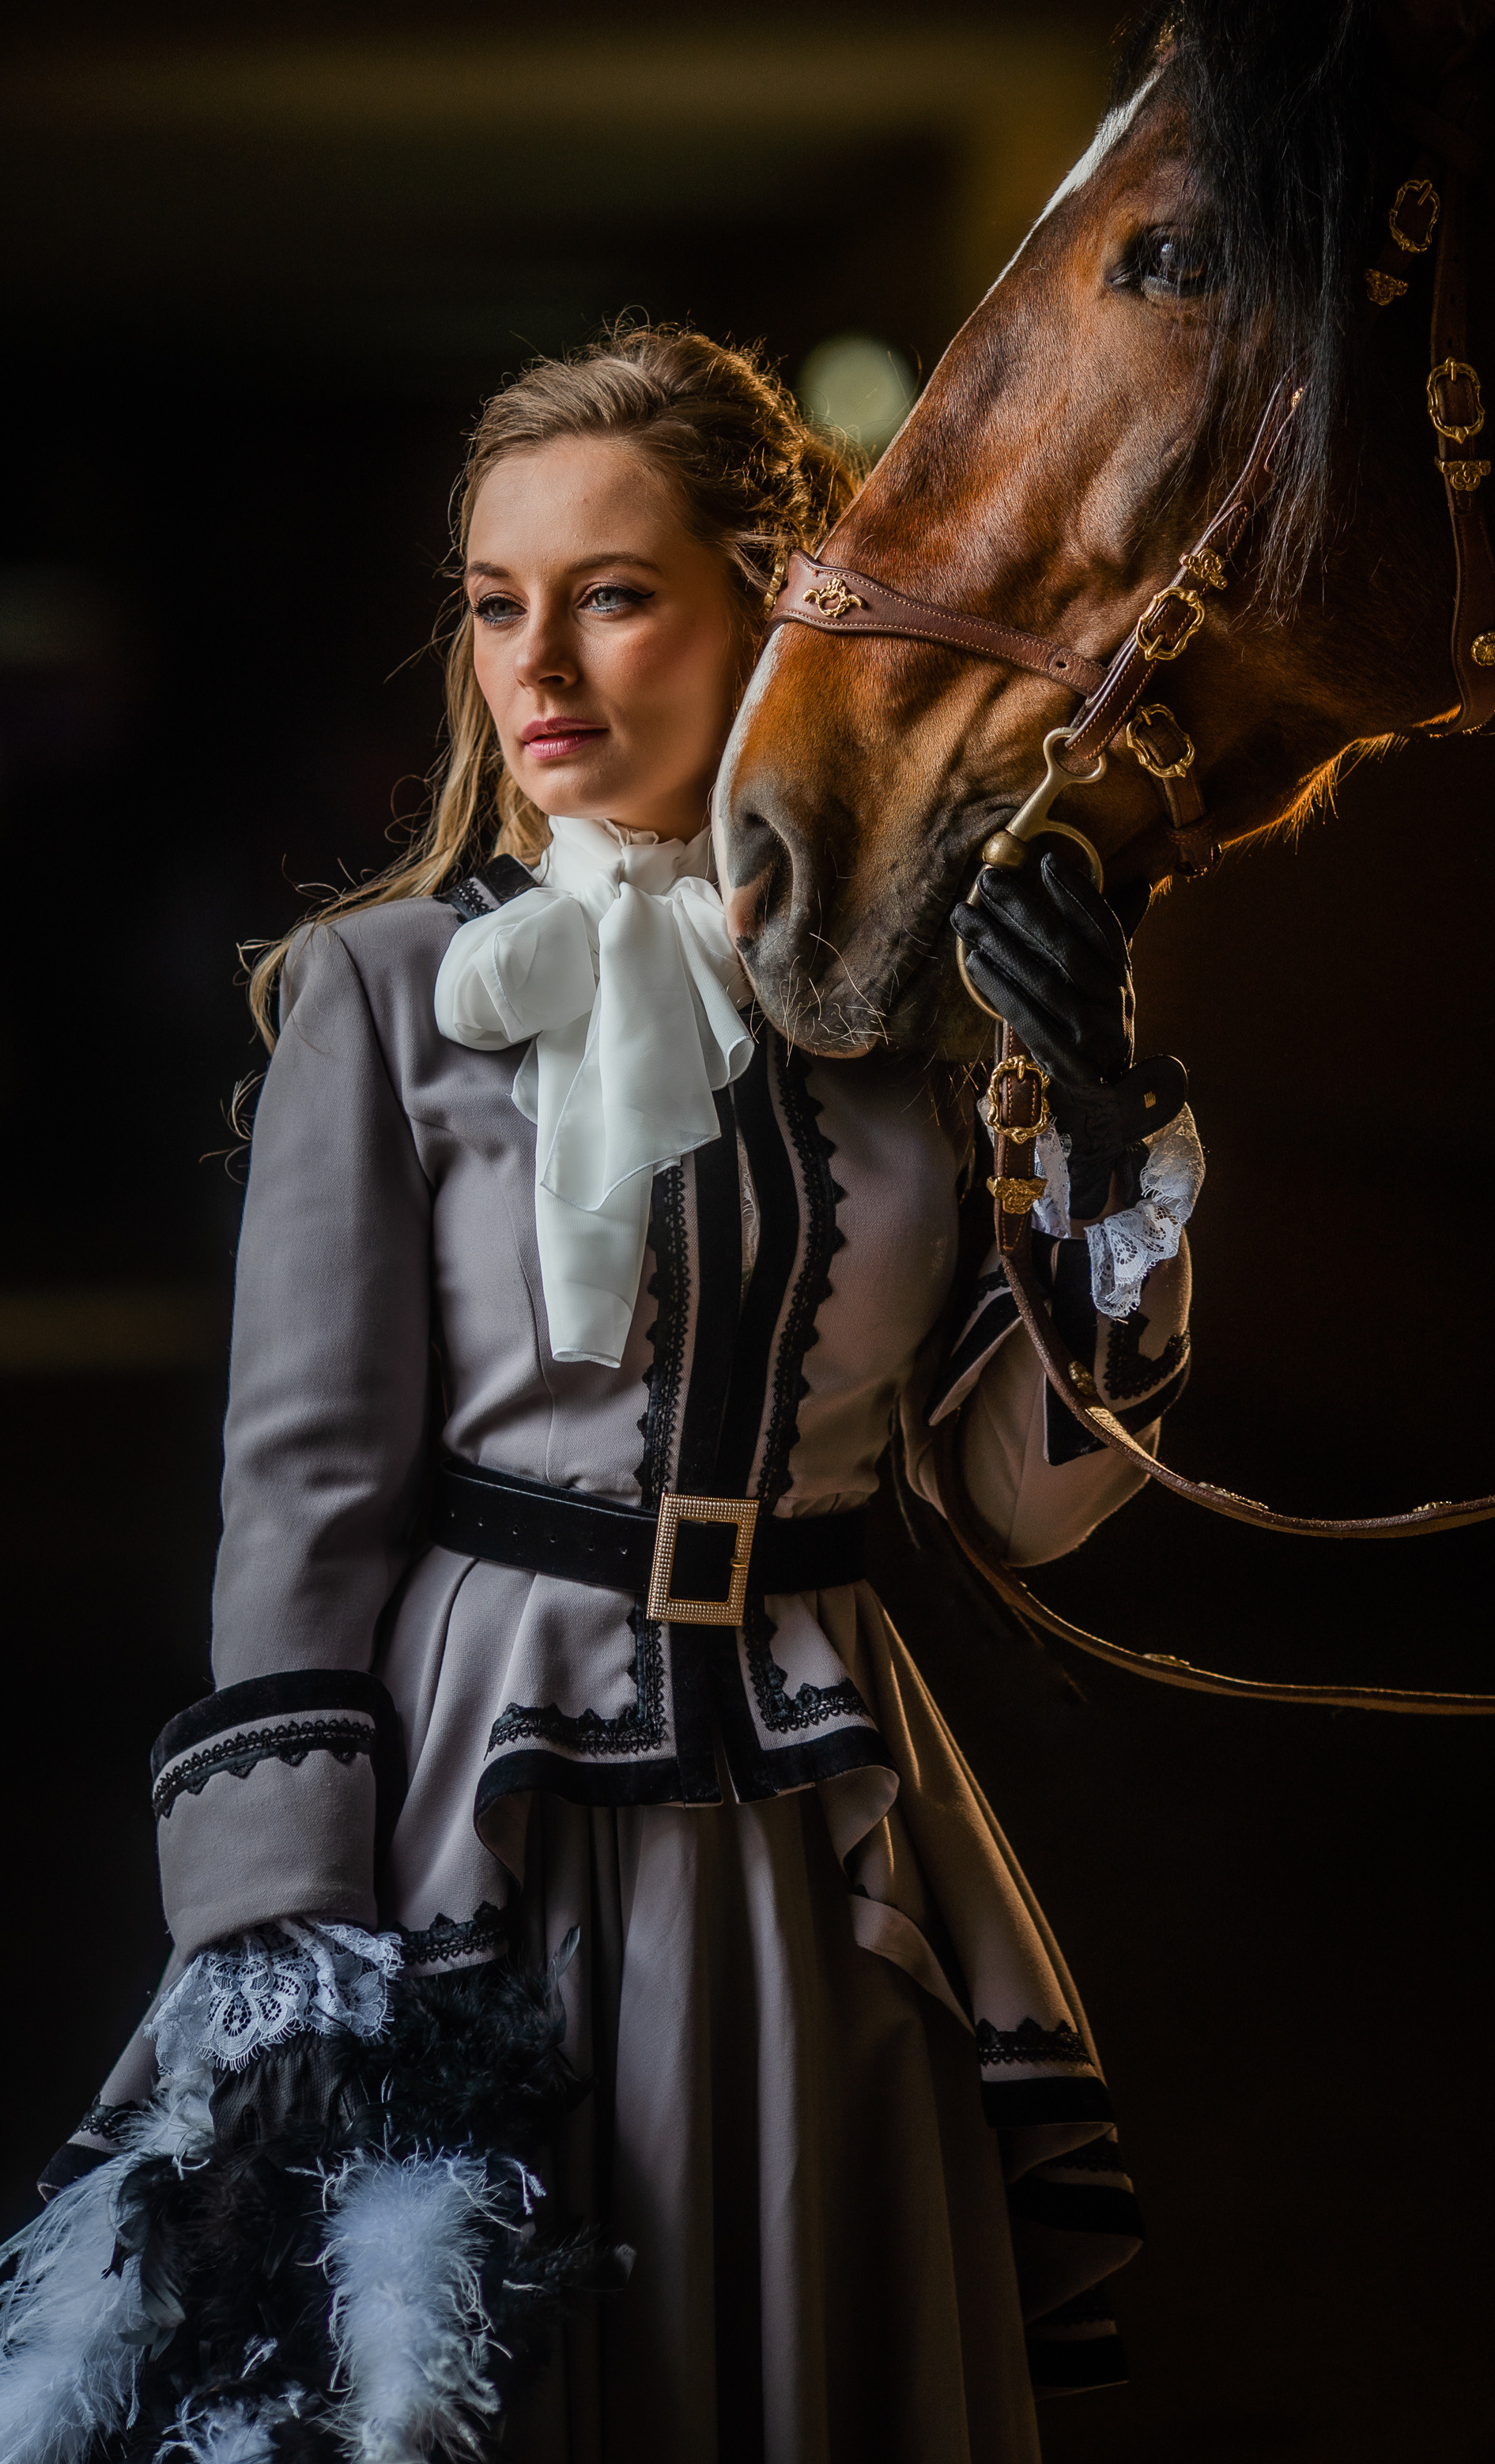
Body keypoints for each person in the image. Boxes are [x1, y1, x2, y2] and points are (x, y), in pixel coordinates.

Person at [0, 326, 1202, 2464]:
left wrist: (1107, 1129)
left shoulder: (910, 1023)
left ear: (765, 602)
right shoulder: (381, 994)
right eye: (494, 601)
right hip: (480, 1812)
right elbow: (302, 1492)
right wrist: (284, 1944)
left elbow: (1016, 1495)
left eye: (614, 592)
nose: (537, 659)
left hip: (820, 1842)